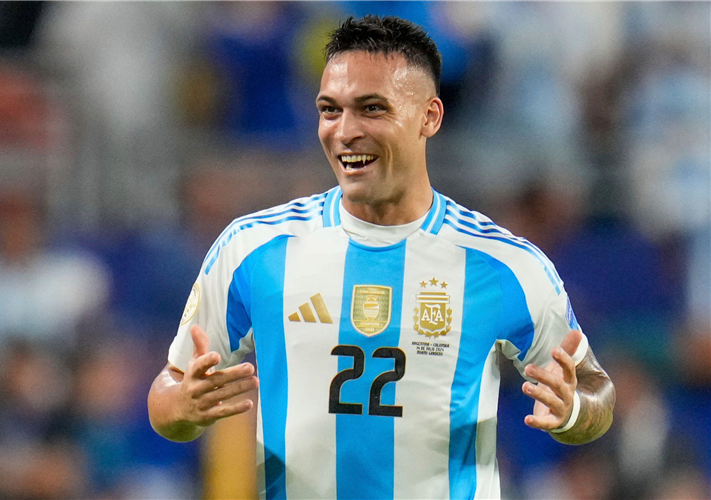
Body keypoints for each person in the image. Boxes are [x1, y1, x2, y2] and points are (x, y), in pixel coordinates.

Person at [148, 15, 615, 499]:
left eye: (371, 109)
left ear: (429, 117)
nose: (345, 131)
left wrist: (575, 412)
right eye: (330, 110)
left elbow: (593, 385)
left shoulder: (504, 265)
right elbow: (169, 393)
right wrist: (182, 406)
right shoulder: (253, 249)